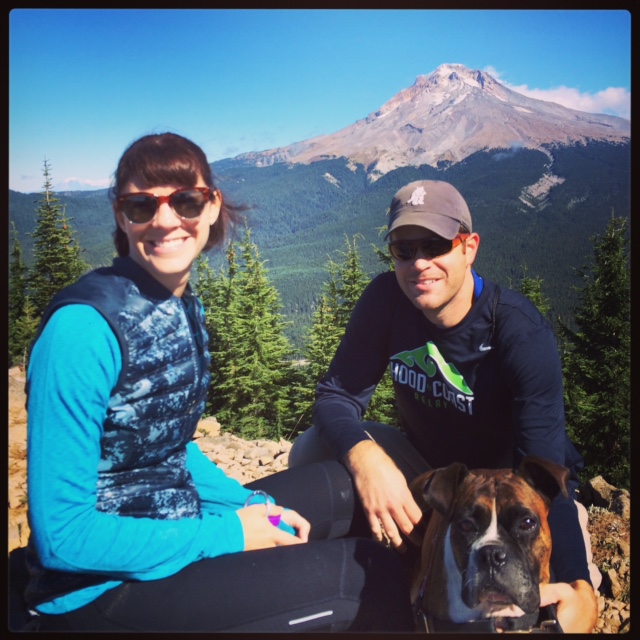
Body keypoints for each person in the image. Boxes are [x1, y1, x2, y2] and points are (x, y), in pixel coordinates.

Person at [20, 132, 415, 632]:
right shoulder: (81, 332)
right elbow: (64, 537)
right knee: (369, 577)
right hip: (96, 592)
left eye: (185, 201)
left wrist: (249, 505)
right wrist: (230, 532)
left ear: (211, 208)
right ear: (122, 217)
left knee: (350, 491)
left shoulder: (181, 305)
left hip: (175, 524)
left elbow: (169, 447)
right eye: (142, 206)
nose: (165, 220)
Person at [288, 179, 601, 633]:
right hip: (433, 472)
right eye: (403, 248)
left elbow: (547, 472)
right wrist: (367, 459)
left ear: (469, 247)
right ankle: (392, 555)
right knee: (313, 448)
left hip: (508, 492)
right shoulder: (385, 300)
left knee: (554, 611)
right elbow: (336, 396)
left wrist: (577, 585)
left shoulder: (518, 335)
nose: (419, 263)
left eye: (435, 245)